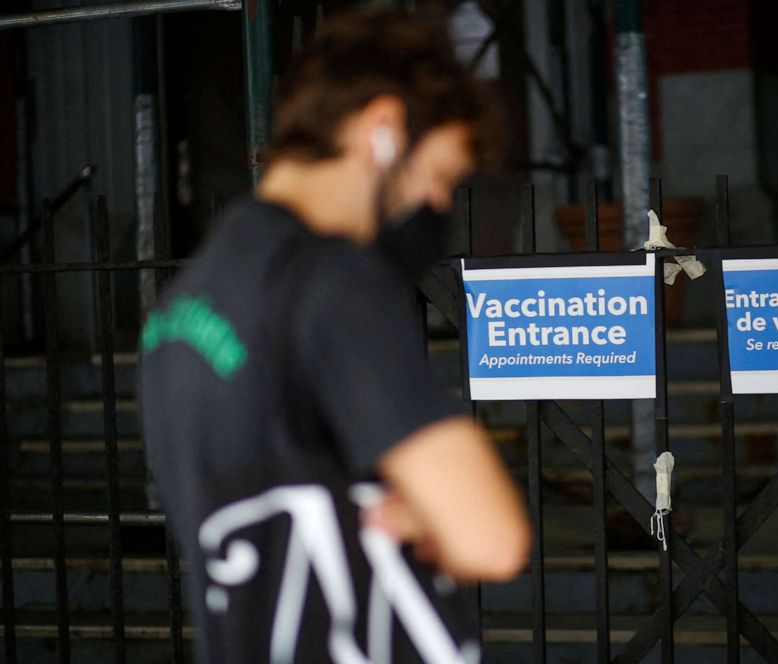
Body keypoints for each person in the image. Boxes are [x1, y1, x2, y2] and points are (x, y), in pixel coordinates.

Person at [139, 8, 530, 663]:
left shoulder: (184, 304)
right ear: (382, 130)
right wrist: (430, 510)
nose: (437, 207)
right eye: (437, 177)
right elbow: (492, 538)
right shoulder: (333, 280)